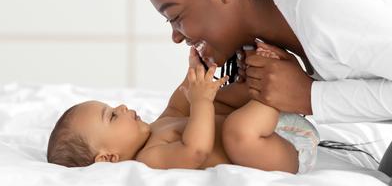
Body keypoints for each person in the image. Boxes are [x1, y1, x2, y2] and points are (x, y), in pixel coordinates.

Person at [146, 0, 392, 185]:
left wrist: (310, 97)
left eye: (176, 16)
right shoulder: (296, 16)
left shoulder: (321, 6)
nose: (176, 36)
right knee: (384, 178)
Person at [46, 46, 320, 174]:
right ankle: (274, 89)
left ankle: (259, 80)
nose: (121, 106)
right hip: (283, 150)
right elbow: (195, 150)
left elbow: (181, 102)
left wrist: (195, 70)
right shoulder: (150, 159)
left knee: (217, 99)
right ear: (109, 158)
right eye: (112, 116)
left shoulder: (156, 127)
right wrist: (201, 103)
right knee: (234, 129)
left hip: (271, 128)